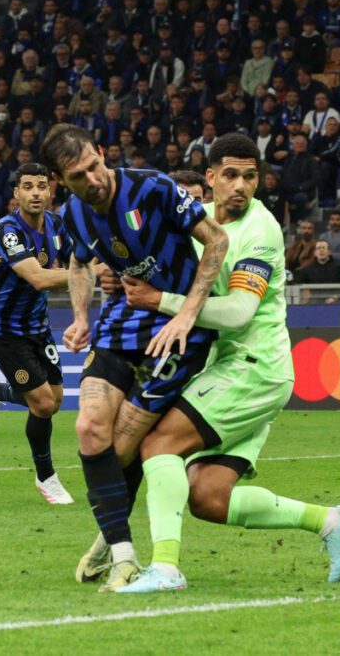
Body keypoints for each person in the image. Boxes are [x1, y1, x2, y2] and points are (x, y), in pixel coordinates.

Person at [108, 134, 340, 592]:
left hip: (253, 367)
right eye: (230, 175)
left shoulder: (259, 233)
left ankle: (164, 568)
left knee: (159, 445)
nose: (240, 186)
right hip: (235, 367)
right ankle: (332, 521)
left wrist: (160, 300)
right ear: (210, 178)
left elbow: (240, 312)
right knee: (208, 496)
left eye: (249, 176)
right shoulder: (201, 221)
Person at [40, 124, 227, 593]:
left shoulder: (155, 188)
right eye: (79, 176)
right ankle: (124, 556)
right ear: (62, 180)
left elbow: (218, 241)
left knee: (122, 448)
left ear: (102, 153)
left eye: (94, 166)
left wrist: (186, 313)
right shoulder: (74, 216)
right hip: (123, 322)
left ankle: (108, 538)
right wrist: (81, 316)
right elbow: (79, 262)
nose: (93, 179)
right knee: (89, 429)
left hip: (174, 333)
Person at [0, 163, 75, 506]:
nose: (35, 192)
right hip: (3, 327)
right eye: (28, 186)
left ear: (51, 192)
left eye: (41, 186)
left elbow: (84, 257)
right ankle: (46, 477)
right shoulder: (8, 229)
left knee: (55, 400)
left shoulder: (58, 225)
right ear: (16, 194)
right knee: (43, 403)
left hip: (37, 325)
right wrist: (92, 274)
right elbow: (40, 278)